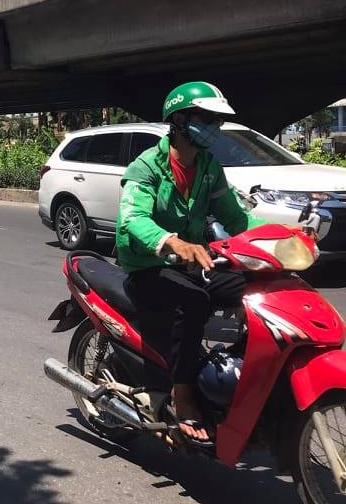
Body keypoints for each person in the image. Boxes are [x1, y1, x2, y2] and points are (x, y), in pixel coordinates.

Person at [117, 81, 267, 447]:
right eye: (207, 120)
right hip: (147, 267)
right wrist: (170, 240)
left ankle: (243, 378)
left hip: (193, 263)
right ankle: (183, 392)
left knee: (258, 289)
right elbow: (131, 218)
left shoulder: (209, 167)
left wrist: (280, 237)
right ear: (180, 120)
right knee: (194, 300)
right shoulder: (146, 166)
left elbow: (235, 219)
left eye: (217, 121)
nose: (215, 128)